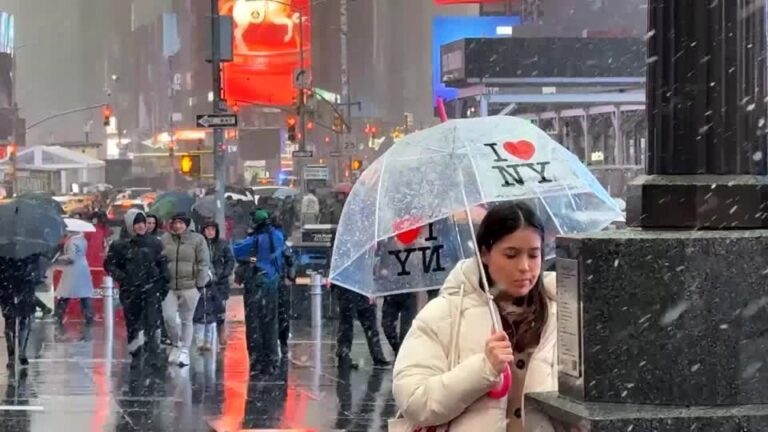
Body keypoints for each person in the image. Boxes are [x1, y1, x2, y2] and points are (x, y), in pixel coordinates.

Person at [392, 202, 557, 432]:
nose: (524, 267)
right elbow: (415, 401)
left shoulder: (562, 315)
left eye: (534, 255)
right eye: (511, 255)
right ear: (484, 254)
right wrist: (483, 369)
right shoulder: (444, 315)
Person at [104, 210, 169, 367]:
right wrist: (123, 278)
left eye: (142, 223)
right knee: (133, 323)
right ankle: (135, 352)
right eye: (136, 223)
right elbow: (110, 264)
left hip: (151, 289)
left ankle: (152, 354)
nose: (140, 226)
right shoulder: (120, 245)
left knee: (152, 323)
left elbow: (162, 264)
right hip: (130, 291)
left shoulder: (155, 243)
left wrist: (162, 283)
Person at [233, 209, 285, 375]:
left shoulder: (254, 241)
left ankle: (257, 361)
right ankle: (272, 360)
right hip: (273, 284)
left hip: (256, 285)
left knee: (254, 325)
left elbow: (236, 250)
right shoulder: (278, 236)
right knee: (271, 323)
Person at [161, 213, 211, 367]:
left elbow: (204, 262)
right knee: (169, 318)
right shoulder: (165, 239)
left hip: (190, 286)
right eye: (175, 223)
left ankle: (184, 350)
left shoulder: (197, 239)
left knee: (187, 320)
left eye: (181, 223)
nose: (178, 226)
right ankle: (176, 343)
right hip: (169, 286)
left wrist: (199, 283)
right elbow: (160, 259)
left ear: (187, 225)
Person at [194, 220, 234, 351]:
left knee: (220, 309)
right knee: (205, 309)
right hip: (205, 283)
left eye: (212, 229)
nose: (210, 232)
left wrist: (224, 274)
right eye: (207, 229)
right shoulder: (199, 245)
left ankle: (221, 330)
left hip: (220, 283)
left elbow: (230, 260)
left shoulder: (222, 245)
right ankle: (205, 338)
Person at [0, 254, 44, 368]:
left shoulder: (5, 248)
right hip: (22, 288)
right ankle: (20, 352)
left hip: (8, 287)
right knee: (22, 322)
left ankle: (13, 355)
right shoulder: (32, 250)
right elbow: (37, 272)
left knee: (11, 322)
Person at [54, 230, 95, 326]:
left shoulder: (72, 241)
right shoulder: (83, 240)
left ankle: (58, 315)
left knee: (65, 293)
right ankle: (88, 315)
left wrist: (59, 258)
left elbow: (71, 257)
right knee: (84, 294)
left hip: (73, 269)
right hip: (83, 267)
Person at [381, 292, 418, 357]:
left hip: (408, 295)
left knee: (406, 331)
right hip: (390, 295)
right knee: (387, 327)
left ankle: (403, 353)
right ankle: (399, 349)